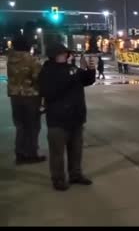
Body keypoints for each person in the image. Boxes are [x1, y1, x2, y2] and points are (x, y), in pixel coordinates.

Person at [39, 43, 96, 191]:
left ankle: (75, 174)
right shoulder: (47, 71)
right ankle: (58, 179)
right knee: (57, 153)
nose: (65, 55)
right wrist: (71, 77)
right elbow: (50, 92)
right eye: (62, 53)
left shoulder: (72, 69)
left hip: (76, 117)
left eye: (66, 53)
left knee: (76, 150)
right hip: (58, 119)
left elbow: (87, 80)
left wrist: (90, 69)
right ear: (54, 55)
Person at [7, 35, 45, 165]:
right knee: (33, 126)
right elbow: (38, 77)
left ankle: (20, 153)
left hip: (15, 96)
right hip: (30, 96)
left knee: (20, 126)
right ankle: (31, 153)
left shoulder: (10, 59)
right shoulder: (31, 60)